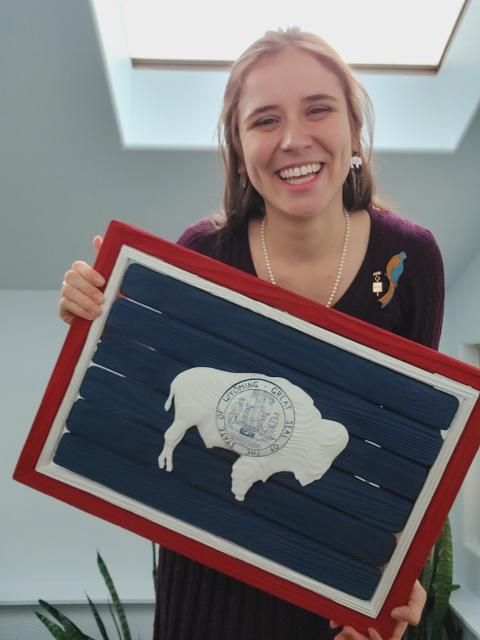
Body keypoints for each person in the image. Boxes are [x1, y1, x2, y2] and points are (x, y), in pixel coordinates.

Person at [59, 27, 443, 640]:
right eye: (264, 120)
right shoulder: (201, 253)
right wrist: (97, 314)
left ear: (354, 130)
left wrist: (395, 582)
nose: (294, 139)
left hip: (331, 579)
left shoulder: (407, 262)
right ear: (239, 149)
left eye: (318, 108)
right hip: (204, 578)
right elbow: (138, 402)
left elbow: (412, 451)